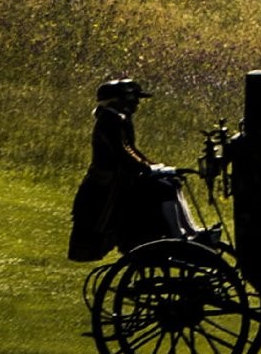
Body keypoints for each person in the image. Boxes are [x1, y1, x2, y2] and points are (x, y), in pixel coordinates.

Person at [67, 77, 190, 262]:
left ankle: (186, 230)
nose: (137, 104)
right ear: (120, 101)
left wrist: (154, 167)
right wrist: (148, 169)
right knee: (165, 188)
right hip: (111, 183)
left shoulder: (117, 119)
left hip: (121, 179)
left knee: (171, 183)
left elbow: (131, 150)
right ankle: (178, 233)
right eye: (134, 99)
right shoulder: (109, 120)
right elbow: (122, 152)